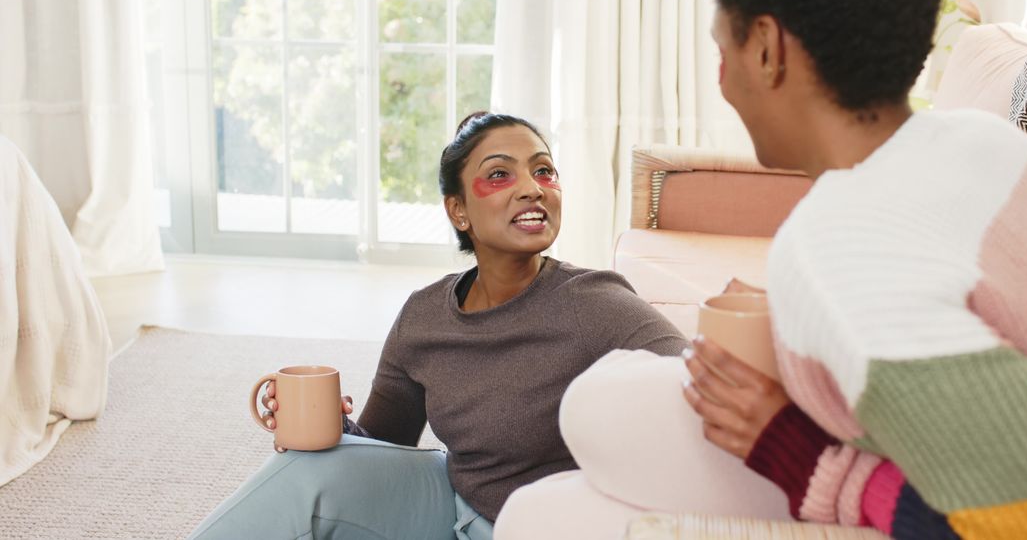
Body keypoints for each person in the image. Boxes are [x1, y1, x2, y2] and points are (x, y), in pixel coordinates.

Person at [496, 0, 1027, 539]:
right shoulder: (983, 140)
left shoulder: (833, 248)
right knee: (576, 436)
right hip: (952, 455)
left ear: (769, 49)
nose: (723, 81)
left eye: (722, 48)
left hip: (971, 502)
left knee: (540, 506)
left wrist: (799, 455)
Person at [187, 112, 689, 540]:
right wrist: (331, 428)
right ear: (458, 210)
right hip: (450, 498)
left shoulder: (592, 302)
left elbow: (694, 380)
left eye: (544, 171)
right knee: (309, 469)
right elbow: (385, 446)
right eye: (500, 175)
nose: (533, 188)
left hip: (538, 527)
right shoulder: (424, 315)